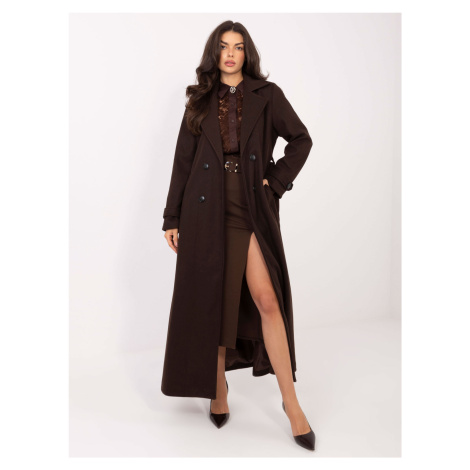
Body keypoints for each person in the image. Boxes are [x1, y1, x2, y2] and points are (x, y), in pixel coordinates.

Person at [161, 21, 315, 451]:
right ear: (215, 52)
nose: (231, 53)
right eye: (224, 46)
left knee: (267, 299)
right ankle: (218, 390)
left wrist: (275, 181)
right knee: (216, 302)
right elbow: (183, 161)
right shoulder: (199, 100)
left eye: (239, 47)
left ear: (247, 54)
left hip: (250, 203)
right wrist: (172, 216)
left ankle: (291, 403)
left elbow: (301, 140)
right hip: (205, 208)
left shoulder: (267, 95)